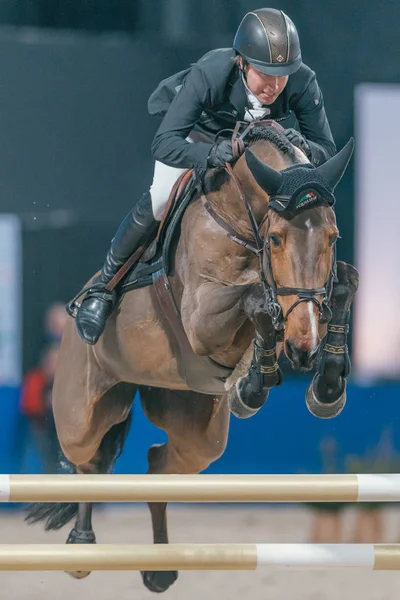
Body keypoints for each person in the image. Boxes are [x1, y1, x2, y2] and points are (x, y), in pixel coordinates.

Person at [74, 7, 336, 345]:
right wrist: (209, 154)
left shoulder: (301, 81)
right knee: (161, 197)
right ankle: (103, 289)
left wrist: (308, 150)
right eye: (264, 73)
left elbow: (325, 147)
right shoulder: (212, 72)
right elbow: (164, 143)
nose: (274, 85)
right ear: (242, 62)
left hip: (253, 145)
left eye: (282, 74)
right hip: (196, 134)